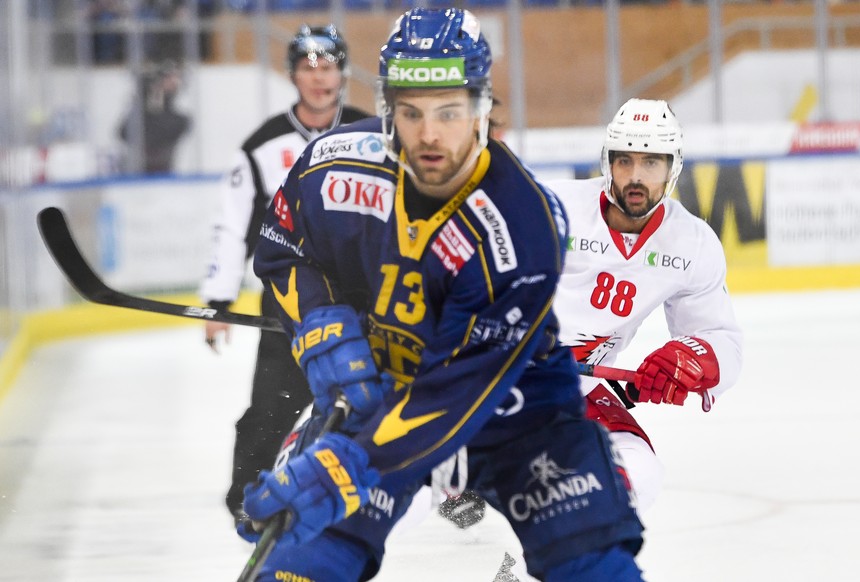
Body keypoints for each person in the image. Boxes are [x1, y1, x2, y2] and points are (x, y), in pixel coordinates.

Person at [243, 8, 644, 581]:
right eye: (411, 113)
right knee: (300, 567)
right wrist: (322, 325)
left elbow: (454, 394)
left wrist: (345, 465)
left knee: (592, 566)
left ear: (482, 110)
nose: (429, 134)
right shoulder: (331, 168)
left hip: (516, 412)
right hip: (381, 395)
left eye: (449, 112)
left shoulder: (523, 226)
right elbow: (285, 246)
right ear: (387, 111)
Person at [198, 24, 368, 525]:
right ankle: (246, 495)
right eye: (308, 67)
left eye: (328, 65)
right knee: (274, 402)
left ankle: (394, 488)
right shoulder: (261, 145)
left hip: (361, 297)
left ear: (343, 71)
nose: (319, 77)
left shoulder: (371, 132)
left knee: (371, 395)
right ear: (292, 74)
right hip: (288, 296)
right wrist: (218, 302)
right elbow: (230, 225)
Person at [548, 98, 743, 513]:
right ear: (607, 162)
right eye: (625, 161)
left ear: (673, 168)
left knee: (637, 471)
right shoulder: (553, 208)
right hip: (491, 377)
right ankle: (458, 482)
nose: (635, 177)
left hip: (576, 387)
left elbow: (721, 339)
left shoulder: (692, 243)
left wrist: (693, 359)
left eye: (651, 163)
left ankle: (531, 564)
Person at [118, 60, 191, 174]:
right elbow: (123, 133)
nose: (174, 82)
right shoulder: (139, 114)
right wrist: (144, 99)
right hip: (134, 175)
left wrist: (154, 103)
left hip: (163, 174)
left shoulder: (180, 121)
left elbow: (160, 134)